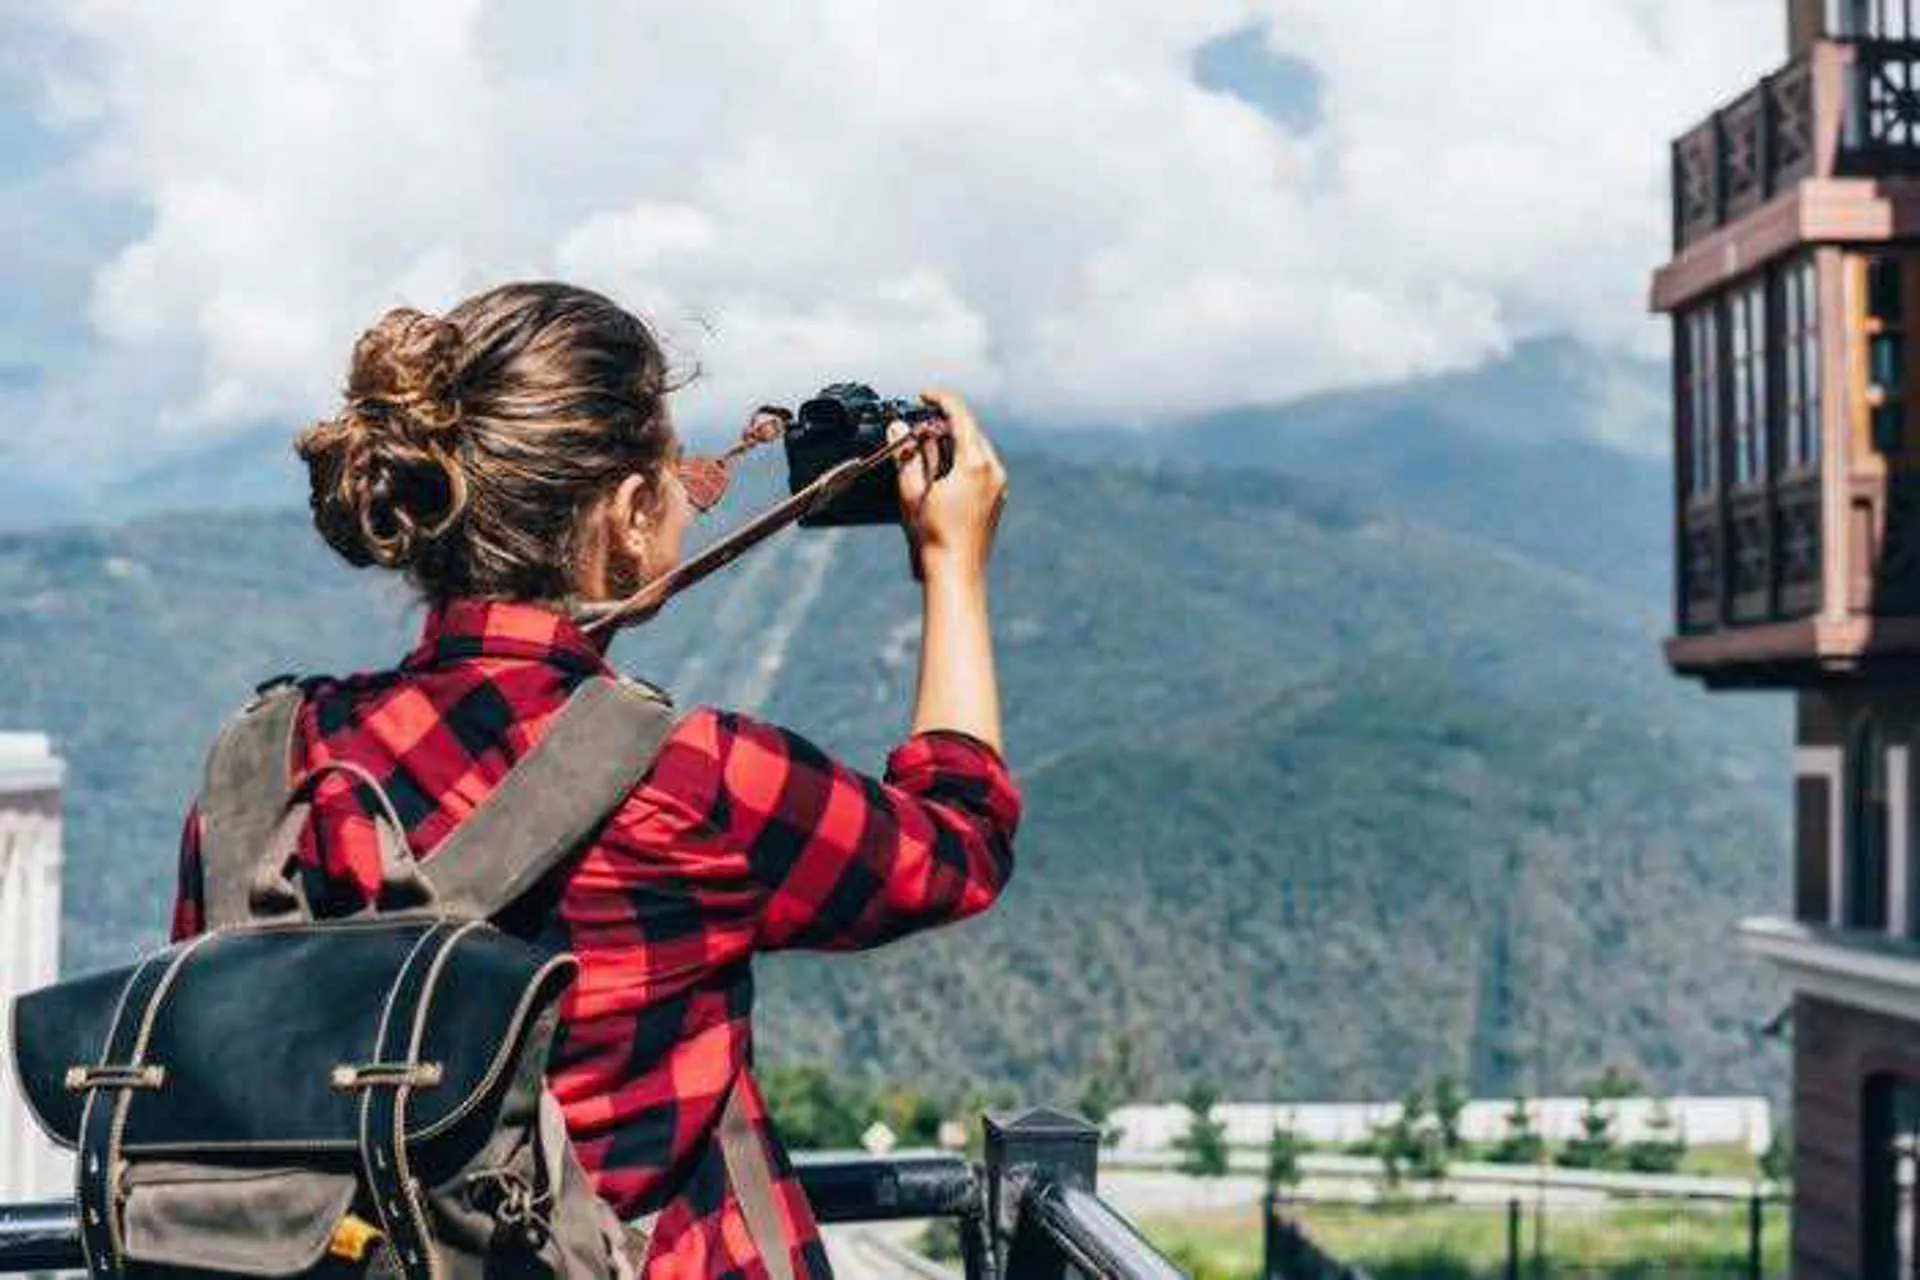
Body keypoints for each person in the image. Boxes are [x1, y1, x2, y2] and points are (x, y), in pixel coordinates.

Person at [168, 281, 1020, 1278]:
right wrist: (953, 570)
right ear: (626, 513)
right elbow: (958, 842)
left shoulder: (265, 770)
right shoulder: (691, 779)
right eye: (682, 475)